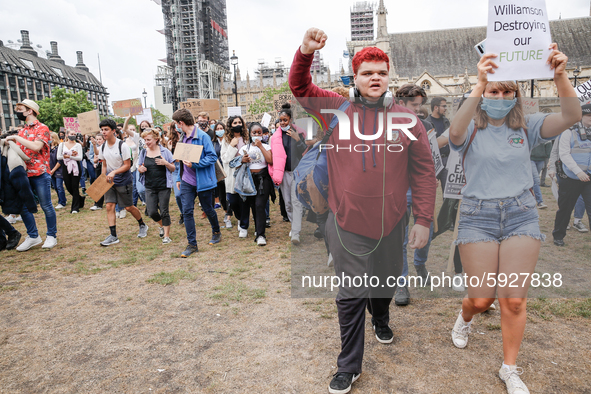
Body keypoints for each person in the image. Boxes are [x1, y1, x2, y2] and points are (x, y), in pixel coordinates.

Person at [290, 28, 436, 394]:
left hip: (391, 223)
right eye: (367, 72)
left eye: (381, 72)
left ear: (389, 77)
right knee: (351, 293)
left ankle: (381, 316)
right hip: (345, 222)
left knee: (384, 283)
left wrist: (422, 219)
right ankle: (348, 365)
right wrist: (306, 52)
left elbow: (424, 173)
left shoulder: (407, 119)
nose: (375, 78)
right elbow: (301, 88)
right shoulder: (336, 110)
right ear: (354, 77)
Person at [448, 45, 580, 394]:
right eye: (495, 90)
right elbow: (454, 135)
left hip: (521, 214)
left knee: (514, 299)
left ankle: (509, 368)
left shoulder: (528, 126)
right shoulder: (472, 126)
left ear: (516, 96)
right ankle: (465, 317)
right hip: (479, 216)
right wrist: (478, 85)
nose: (502, 96)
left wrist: (560, 75)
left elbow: (570, 115)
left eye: (509, 91)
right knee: (481, 299)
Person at [393, 83, 436, 306]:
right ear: (400, 103)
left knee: (426, 233)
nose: (418, 109)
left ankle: (421, 264)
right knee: (400, 240)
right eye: (414, 105)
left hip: (421, 191)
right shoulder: (389, 125)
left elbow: (434, 157)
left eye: (420, 105)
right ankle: (402, 283)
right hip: (400, 192)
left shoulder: (426, 125)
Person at [5, 99, 57, 251]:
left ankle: (51, 235)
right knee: (23, 207)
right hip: (24, 174)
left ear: (30, 111)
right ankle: (33, 236)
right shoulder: (22, 131)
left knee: (46, 206)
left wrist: (16, 138)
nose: (18, 112)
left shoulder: (42, 128)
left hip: (40, 173)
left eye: (20, 109)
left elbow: (36, 146)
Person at [173, 108, 220, 257]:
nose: (176, 126)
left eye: (176, 123)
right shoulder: (182, 137)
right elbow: (181, 160)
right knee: (187, 211)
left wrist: (195, 164)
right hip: (187, 181)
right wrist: (180, 178)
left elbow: (212, 157)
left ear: (181, 123)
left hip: (203, 181)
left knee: (208, 209)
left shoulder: (203, 137)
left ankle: (216, 231)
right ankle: (192, 244)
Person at [97, 119, 148, 246]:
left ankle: (142, 224)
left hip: (123, 180)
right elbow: (104, 164)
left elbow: (127, 165)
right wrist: (103, 177)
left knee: (128, 207)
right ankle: (113, 235)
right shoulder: (102, 147)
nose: (103, 132)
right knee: (109, 206)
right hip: (109, 181)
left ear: (114, 131)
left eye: (106, 129)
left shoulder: (122, 146)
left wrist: (114, 172)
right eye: (102, 130)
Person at [551, 103, 591, 246]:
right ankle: (558, 235)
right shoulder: (569, 132)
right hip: (570, 177)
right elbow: (564, 154)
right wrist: (578, 172)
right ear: (581, 117)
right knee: (565, 209)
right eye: (588, 116)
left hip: (588, 177)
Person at [269, 103, 307, 244]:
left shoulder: (299, 133)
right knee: (288, 204)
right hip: (284, 173)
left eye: (285, 120)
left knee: (296, 202)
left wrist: (297, 139)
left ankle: (296, 232)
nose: (283, 122)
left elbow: (304, 152)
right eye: (281, 120)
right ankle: (293, 224)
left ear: (290, 120)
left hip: (296, 172)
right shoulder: (275, 137)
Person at [237, 122, 274, 246]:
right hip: (249, 180)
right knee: (252, 205)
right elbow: (236, 163)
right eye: (254, 133)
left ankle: (261, 235)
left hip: (263, 179)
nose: (257, 135)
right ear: (250, 134)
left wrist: (261, 146)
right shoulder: (245, 148)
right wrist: (242, 160)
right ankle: (258, 228)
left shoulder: (267, 146)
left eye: (259, 133)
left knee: (259, 205)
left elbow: (270, 160)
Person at [137, 128, 175, 244]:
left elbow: (173, 168)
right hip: (149, 186)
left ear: (156, 139)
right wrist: (140, 169)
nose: (146, 142)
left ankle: (166, 236)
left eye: (148, 139)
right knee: (152, 211)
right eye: (145, 140)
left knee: (164, 211)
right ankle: (162, 225)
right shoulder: (143, 152)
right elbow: (138, 166)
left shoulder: (164, 152)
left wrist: (166, 163)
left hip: (164, 186)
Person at [548, 140, 589, 232]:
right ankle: (564, 223)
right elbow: (555, 151)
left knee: (581, 199)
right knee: (565, 201)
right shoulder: (564, 132)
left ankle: (577, 220)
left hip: (585, 174)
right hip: (565, 173)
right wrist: (552, 168)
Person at [221, 115, 248, 233]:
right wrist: (232, 145)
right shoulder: (226, 141)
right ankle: (239, 218)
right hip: (232, 174)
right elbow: (225, 159)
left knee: (244, 200)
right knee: (233, 200)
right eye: (235, 123)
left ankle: (243, 225)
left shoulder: (247, 139)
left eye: (239, 122)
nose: (238, 125)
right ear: (230, 125)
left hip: (245, 173)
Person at [57, 128, 85, 214]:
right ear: (67, 135)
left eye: (74, 134)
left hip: (76, 166)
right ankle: (80, 199)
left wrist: (69, 156)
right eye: (71, 134)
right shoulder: (62, 145)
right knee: (68, 186)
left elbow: (80, 157)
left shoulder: (78, 145)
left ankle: (75, 207)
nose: (73, 136)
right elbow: (58, 157)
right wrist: (68, 156)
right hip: (66, 166)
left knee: (75, 186)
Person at [427, 97, 450, 192]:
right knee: (429, 192)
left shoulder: (446, 121)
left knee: (447, 193)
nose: (445, 108)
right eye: (443, 106)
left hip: (446, 160)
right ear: (436, 107)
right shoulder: (426, 123)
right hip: (433, 161)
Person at [212, 122, 232, 225]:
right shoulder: (213, 143)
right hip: (218, 172)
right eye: (217, 128)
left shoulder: (228, 141)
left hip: (228, 170)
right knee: (222, 195)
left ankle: (228, 216)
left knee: (229, 193)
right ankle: (225, 211)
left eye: (221, 128)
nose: (219, 130)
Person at [167, 121, 183, 224]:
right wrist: (169, 149)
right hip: (175, 168)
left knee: (185, 193)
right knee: (177, 194)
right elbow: (167, 159)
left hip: (185, 167)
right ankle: (183, 213)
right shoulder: (169, 142)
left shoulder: (186, 139)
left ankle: (187, 213)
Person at [530, 140, 552, 209]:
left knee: (533, 181)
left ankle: (530, 198)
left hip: (541, 159)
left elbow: (549, 147)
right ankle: (540, 202)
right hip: (530, 159)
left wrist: (549, 160)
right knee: (536, 180)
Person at [49, 132, 67, 210]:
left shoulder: (58, 147)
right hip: (50, 170)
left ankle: (62, 202)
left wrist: (53, 170)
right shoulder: (48, 148)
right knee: (55, 187)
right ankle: (61, 199)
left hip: (58, 170)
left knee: (59, 186)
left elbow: (59, 161)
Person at [89, 133, 105, 211]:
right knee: (99, 185)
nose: (98, 141)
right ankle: (97, 203)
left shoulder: (106, 146)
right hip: (100, 166)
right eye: (97, 139)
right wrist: (94, 145)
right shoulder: (97, 147)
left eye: (100, 139)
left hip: (107, 166)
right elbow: (95, 158)